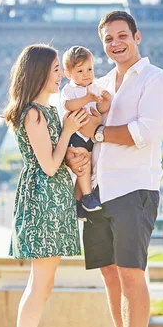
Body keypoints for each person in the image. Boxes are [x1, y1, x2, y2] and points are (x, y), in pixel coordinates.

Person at [65, 11, 163, 327]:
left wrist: (99, 131)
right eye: (109, 39)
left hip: (133, 189)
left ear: (137, 37)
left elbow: (147, 132)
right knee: (109, 274)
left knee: (130, 273)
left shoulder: (156, 79)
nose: (116, 43)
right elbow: (80, 130)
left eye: (122, 35)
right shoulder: (96, 85)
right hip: (96, 192)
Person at [3, 44, 88, 327]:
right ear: (39, 73)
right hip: (44, 203)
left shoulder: (46, 111)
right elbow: (49, 166)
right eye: (55, 70)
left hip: (53, 200)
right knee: (40, 284)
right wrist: (67, 130)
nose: (62, 75)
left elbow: (56, 158)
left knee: (43, 283)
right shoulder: (34, 115)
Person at [60, 46, 112, 218]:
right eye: (80, 71)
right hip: (77, 135)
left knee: (87, 169)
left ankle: (78, 203)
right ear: (68, 74)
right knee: (83, 165)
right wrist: (87, 98)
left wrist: (106, 101)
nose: (86, 74)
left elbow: (100, 108)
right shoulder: (69, 89)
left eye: (89, 69)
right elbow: (69, 105)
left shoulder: (95, 87)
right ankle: (88, 197)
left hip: (91, 137)